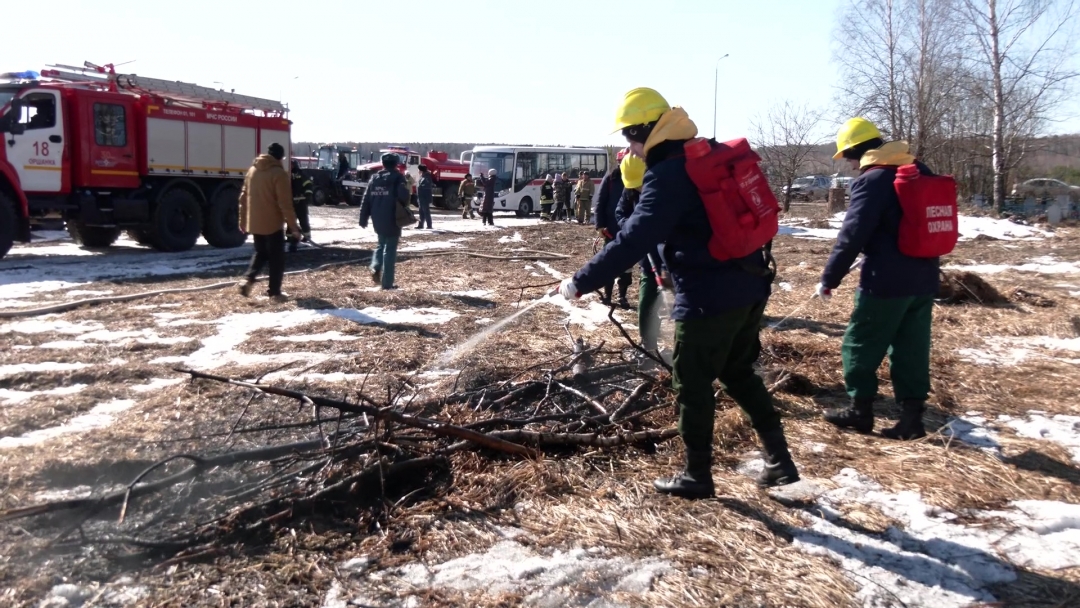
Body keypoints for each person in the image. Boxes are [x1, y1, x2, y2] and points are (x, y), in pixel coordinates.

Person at [557, 88, 799, 498]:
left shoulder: (669, 173)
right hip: (750, 282)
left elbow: (633, 239)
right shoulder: (699, 154)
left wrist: (580, 281)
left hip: (709, 295)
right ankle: (780, 460)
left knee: (691, 382)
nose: (629, 148)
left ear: (643, 131)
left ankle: (697, 475)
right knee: (738, 372)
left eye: (629, 138)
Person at [817, 118, 940, 441]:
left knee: (860, 343)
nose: (850, 163)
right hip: (924, 277)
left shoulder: (872, 180)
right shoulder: (918, 170)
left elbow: (852, 235)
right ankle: (912, 418)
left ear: (857, 150)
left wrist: (830, 277)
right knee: (912, 347)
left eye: (849, 156)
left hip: (884, 282)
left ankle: (860, 411)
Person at [237, 143, 301, 302]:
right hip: (272, 224)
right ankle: (275, 293)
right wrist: (294, 228)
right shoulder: (279, 174)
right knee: (277, 258)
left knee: (260, 253)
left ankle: (247, 279)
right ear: (280, 157)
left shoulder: (252, 171)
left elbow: (243, 198)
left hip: (255, 222)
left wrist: (242, 220)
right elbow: (285, 204)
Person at [615, 153, 663, 353]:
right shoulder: (631, 188)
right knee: (646, 306)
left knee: (681, 312)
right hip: (648, 258)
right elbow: (620, 212)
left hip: (675, 261)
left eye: (640, 184)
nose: (637, 189)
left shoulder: (666, 188)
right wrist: (632, 227)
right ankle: (648, 347)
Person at [359, 153, 410, 290]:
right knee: (390, 249)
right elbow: (404, 197)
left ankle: (376, 266)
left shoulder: (374, 179)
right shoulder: (398, 178)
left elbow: (366, 199)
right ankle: (387, 283)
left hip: (377, 217)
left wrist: (363, 218)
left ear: (383, 163)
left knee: (381, 244)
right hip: (393, 217)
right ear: (396, 163)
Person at [595, 150, 630, 308]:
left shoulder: (638, 180)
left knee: (627, 266)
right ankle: (607, 295)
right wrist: (600, 226)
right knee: (609, 263)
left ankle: (623, 296)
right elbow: (600, 204)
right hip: (611, 230)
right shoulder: (610, 180)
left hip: (630, 231)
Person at [288, 160, 313, 252]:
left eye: (291, 164)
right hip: (292, 201)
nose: (290, 166)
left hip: (301, 201)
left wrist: (307, 195)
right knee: (290, 219)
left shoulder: (300, 174)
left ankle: (307, 236)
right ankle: (290, 237)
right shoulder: (287, 174)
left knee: (303, 219)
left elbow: (308, 184)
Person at [416, 164, 434, 229]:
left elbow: (427, 187)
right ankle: (421, 225)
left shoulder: (427, 177)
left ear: (421, 170)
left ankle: (429, 225)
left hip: (424, 197)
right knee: (421, 212)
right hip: (420, 197)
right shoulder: (422, 176)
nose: (418, 171)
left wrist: (420, 187)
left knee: (426, 211)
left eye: (419, 169)